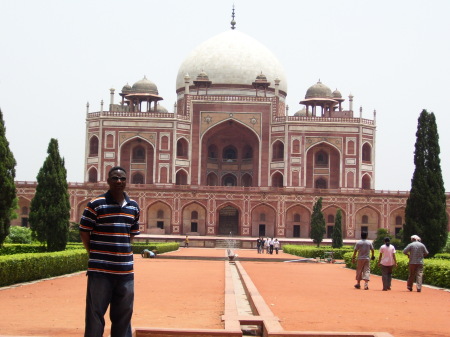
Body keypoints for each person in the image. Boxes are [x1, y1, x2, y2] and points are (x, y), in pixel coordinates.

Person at [79, 166, 140, 337]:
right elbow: (84, 231)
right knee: (95, 315)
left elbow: (131, 234)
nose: (119, 182)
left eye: (122, 179)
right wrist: (94, 253)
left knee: (124, 316)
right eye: (115, 178)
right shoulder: (96, 204)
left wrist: (122, 252)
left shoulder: (133, 206)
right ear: (108, 180)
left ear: (126, 181)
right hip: (100, 270)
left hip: (125, 271)